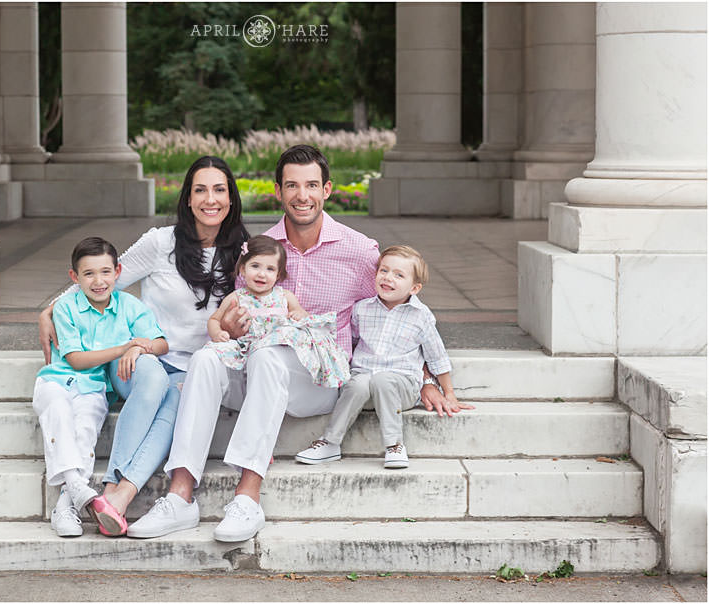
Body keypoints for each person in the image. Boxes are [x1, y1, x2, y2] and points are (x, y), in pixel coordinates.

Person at [128, 144, 465, 543]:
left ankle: (247, 497)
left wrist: (425, 377)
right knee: (205, 358)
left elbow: (402, 313)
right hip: (253, 370)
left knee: (269, 357)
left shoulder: (359, 251)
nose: (302, 195)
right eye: (292, 185)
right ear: (278, 191)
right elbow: (239, 314)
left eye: (311, 185)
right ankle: (180, 496)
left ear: (327, 190)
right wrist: (228, 329)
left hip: (317, 381)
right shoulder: (258, 249)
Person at [38, 156, 250, 536]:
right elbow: (104, 280)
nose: (210, 199)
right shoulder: (160, 242)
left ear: (231, 198)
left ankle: (116, 497)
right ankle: (112, 487)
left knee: (177, 399)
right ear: (188, 198)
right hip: (141, 357)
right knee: (154, 379)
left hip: (197, 368)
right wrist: (50, 309)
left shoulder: (244, 255)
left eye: (219, 190)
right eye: (200, 190)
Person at [34, 236, 167, 538]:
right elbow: (76, 360)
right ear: (74, 277)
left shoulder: (129, 306)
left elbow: (161, 343)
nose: (98, 281)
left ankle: (66, 504)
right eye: (89, 274)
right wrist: (124, 347)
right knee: (58, 413)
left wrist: (140, 347)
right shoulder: (66, 307)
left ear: (117, 272)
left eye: (106, 272)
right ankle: (77, 487)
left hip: (94, 388)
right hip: (56, 380)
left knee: (85, 431)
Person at [295, 245, 473, 469]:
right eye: (384, 270)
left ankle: (394, 445)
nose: (388, 278)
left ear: (415, 288)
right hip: (364, 387)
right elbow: (352, 342)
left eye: (399, 275)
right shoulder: (362, 309)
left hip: (402, 388)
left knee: (383, 379)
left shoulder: (421, 316)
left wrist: (449, 393)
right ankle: (330, 443)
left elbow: (437, 356)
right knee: (357, 382)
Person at [205, 234, 350, 389]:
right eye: (255, 266)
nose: (262, 274)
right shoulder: (236, 297)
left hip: (277, 353)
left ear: (278, 275)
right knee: (212, 353)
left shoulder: (284, 296)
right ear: (243, 269)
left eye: (270, 269)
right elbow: (214, 319)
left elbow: (302, 314)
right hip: (249, 349)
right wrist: (217, 333)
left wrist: (299, 313)